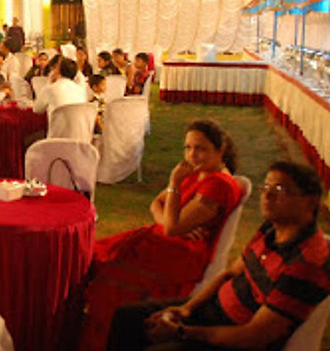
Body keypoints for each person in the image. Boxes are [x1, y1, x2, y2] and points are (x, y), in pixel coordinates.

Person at [107, 161, 329, 351]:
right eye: (266, 187)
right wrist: (187, 308)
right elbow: (230, 273)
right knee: (127, 317)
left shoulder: (306, 264)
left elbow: (254, 336)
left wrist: (182, 332)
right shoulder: (271, 229)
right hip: (212, 310)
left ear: (310, 201)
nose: (267, 196)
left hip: (234, 336)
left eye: (281, 190)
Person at [79, 120, 244, 351]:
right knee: (92, 256)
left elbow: (172, 228)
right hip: (164, 240)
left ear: (220, 150)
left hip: (181, 253)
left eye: (200, 148)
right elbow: (157, 204)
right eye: (188, 147)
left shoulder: (218, 185)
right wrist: (169, 220)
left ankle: (105, 339)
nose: (192, 154)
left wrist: (174, 183)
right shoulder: (197, 173)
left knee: (107, 272)